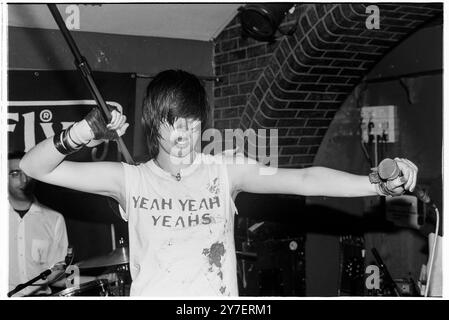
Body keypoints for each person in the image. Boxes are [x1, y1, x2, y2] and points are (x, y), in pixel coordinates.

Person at [20, 69, 418, 297]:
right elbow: (36, 168)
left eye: (192, 125)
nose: (184, 136)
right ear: (153, 123)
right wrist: (82, 132)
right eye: (172, 124)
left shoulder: (224, 169)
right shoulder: (131, 180)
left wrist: (376, 184)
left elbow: (303, 179)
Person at [8, 151, 69, 296]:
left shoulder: (55, 219)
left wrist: (97, 279)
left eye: (28, 173)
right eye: (15, 173)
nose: (24, 180)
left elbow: (58, 277)